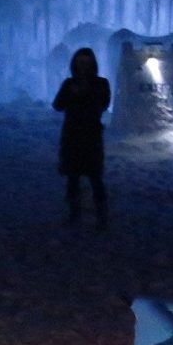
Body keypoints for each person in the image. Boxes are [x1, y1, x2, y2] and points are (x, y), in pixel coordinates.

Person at [52, 47, 111, 226]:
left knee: (95, 178)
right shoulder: (69, 84)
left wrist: (87, 93)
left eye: (86, 62)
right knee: (73, 177)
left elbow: (104, 104)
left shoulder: (101, 83)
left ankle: (101, 216)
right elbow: (57, 105)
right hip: (72, 135)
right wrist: (72, 94)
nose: (83, 66)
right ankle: (74, 214)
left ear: (92, 64)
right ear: (75, 64)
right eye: (80, 62)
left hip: (91, 136)